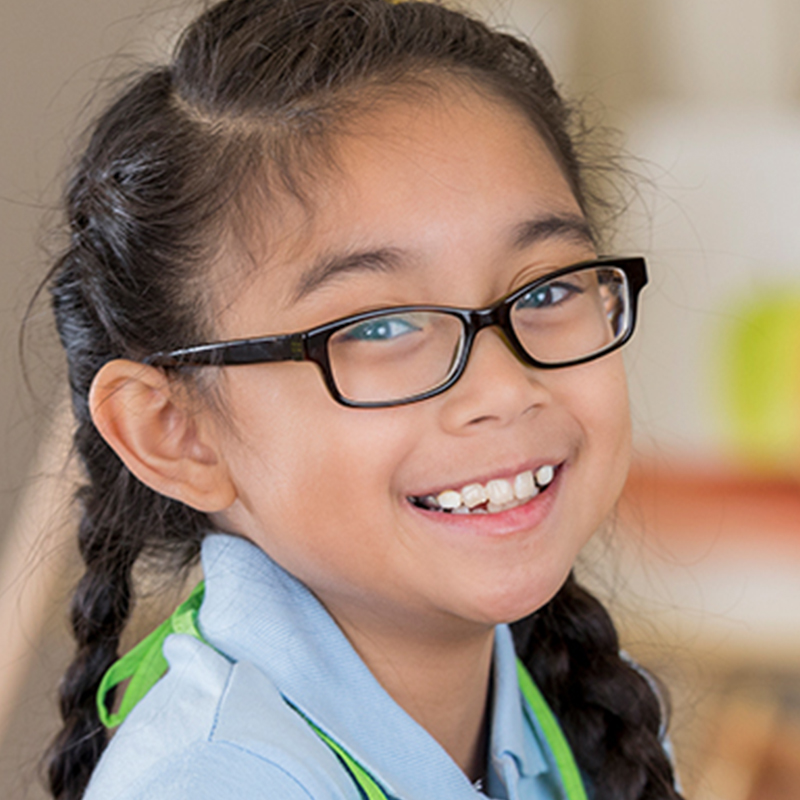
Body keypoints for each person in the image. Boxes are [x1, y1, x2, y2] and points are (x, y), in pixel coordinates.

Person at [41, 0, 682, 798]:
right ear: (176, 433)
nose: (502, 388)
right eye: (379, 328)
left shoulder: (583, 714)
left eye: (547, 289)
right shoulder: (218, 782)